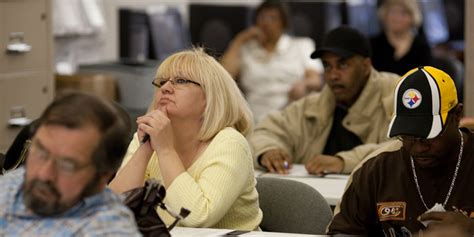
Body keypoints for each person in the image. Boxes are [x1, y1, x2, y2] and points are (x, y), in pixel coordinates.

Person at [109, 48, 262, 230]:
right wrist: (146, 147)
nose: (165, 88)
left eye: (181, 81)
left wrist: (165, 150)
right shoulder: (149, 137)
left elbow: (197, 217)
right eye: (161, 82)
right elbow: (113, 211)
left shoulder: (230, 143)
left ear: (209, 96)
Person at [327, 66, 474, 236]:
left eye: (428, 135)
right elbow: (342, 232)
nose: (418, 147)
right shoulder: (378, 169)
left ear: (457, 116)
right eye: (407, 136)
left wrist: (471, 229)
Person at [250, 25, 399, 175]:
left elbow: (403, 146)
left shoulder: (397, 95)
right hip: (321, 197)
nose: (333, 75)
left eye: (343, 65)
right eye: (327, 66)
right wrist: (268, 150)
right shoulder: (313, 106)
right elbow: (265, 131)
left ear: (366, 66)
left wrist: (343, 162)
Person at [0, 91, 140, 236]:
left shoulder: (105, 230)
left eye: (67, 166)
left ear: (103, 175)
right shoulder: (15, 182)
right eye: (41, 153)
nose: (44, 174)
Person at [220, 0, 323, 123]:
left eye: (272, 18)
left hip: (291, 115)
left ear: (284, 23)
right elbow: (223, 78)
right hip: (255, 117)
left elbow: (316, 80)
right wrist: (240, 40)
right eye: (262, 17)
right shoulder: (246, 49)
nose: (266, 23)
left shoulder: (302, 45)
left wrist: (304, 84)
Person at [370, 0, 432, 76]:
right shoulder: (373, 45)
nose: (396, 18)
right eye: (392, 12)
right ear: (385, 15)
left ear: (413, 17)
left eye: (403, 13)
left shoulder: (421, 47)